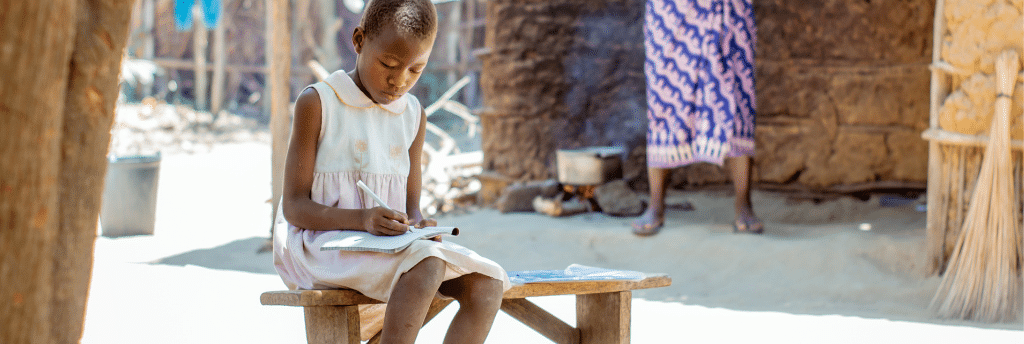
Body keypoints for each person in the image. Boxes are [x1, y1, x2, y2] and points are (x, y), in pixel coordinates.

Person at [272, 1, 510, 343]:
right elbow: (294, 207)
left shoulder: (413, 116)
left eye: (415, 70)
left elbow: (412, 210)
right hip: (323, 245)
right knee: (427, 266)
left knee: (487, 285)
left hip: (386, 248)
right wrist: (364, 219)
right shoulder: (319, 103)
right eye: (389, 64)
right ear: (358, 41)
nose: (399, 80)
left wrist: (419, 225)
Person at [633, 0, 763, 236]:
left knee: (737, 103)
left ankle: (744, 205)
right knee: (665, 102)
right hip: (672, 13)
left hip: (729, 10)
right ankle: (656, 205)